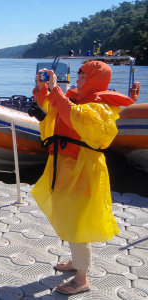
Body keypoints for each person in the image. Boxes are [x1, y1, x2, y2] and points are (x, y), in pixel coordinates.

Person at [31, 61, 134, 295]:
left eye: (83, 75)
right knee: (68, 216)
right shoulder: (74, 97)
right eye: (78, 74)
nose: (78, 78)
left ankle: (81, 278)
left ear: (95, 79)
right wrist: (42, 89)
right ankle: (76, 263)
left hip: (83, 170)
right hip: (64, 165)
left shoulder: (101, 107)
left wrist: (56, 90)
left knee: (77, 223)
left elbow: (75, 117)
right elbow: (50, 107)